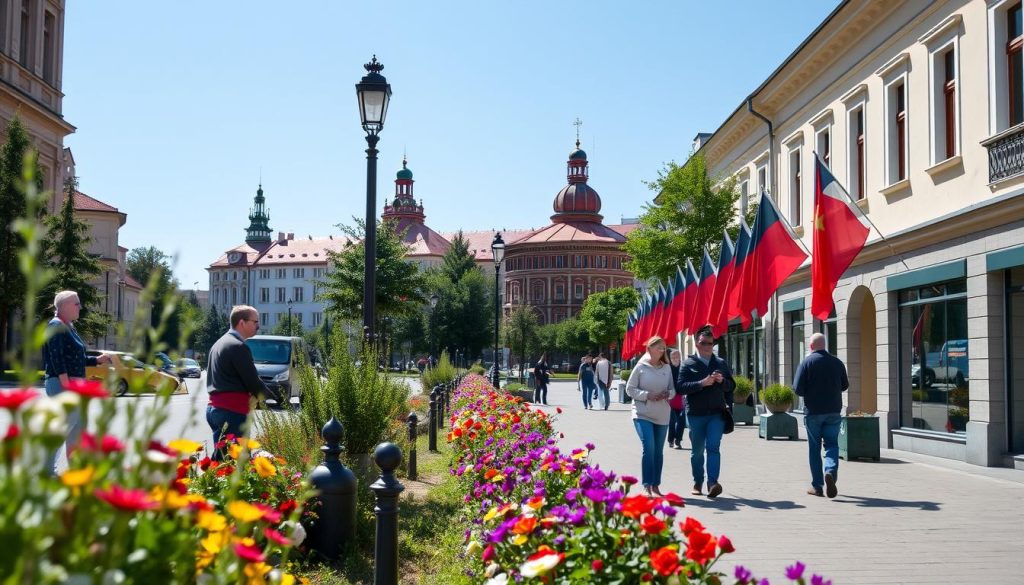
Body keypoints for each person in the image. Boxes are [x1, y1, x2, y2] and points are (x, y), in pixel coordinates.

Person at [41, 290, 112, 473]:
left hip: (72, 385)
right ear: (64, 305)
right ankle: (46, 472)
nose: (80, 307)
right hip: (62, 385)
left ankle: (76, 475)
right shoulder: (55, 326)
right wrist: (67, 385)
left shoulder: (69, 327)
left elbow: (76, 357)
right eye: (76, 303)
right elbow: (57, 357)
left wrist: (96, 360)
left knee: (76, 432)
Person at [676, 328, 735, 498]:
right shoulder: (688, 364)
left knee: (713, 448)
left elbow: (731, 387)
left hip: (717, 413)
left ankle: (712, 483)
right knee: (697, 451)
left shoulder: (721, 363)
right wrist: (701, 383)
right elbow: (680, 387)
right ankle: (698, 481)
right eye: (703, 343)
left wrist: (722, 381)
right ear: (696, 344)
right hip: (696, 414)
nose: (707, 346)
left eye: (710, 343)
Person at [206, 305, 270, 458]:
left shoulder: (219, 343)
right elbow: (252, 381)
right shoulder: (238, 346)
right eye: (255, 322)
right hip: (232, 411)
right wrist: (272, 397)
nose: (258, 326)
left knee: (222, 460)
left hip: (215, 409)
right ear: (242, 323)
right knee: (236, 462)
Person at [793, 332, 849, 498]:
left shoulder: (806, 363)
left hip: (813, 412)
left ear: (810, 346)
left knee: (814, 448)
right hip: (833, 411)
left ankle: (817, 486)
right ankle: (830, 470)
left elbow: (798, 388)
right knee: (832, 444)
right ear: (825, 345)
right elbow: (845, 385)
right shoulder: (837, 363)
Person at [625, 336, 676, 496]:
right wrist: (647, 395)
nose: (662, 350)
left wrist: (668, 394)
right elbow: (630, 389)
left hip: (662, 414)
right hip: (642, 413)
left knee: (658, 451)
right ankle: (647, 484)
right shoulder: (640, 367)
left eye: (664, 348)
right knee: (649, 447)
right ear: (649, 349)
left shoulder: (666, 368)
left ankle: (655, 484)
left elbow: (673, 390)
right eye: (658, 347)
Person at [666, 348, 687, 449]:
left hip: (681, 397)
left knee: (681, 420)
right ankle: (671, 440)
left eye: (677, 356)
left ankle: (678, 440)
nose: (675, 358)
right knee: (672, 421)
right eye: (673, 357)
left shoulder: (684, 367)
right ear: (670, 358)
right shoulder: (667, 368)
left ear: (680, 357)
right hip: (670, 397)